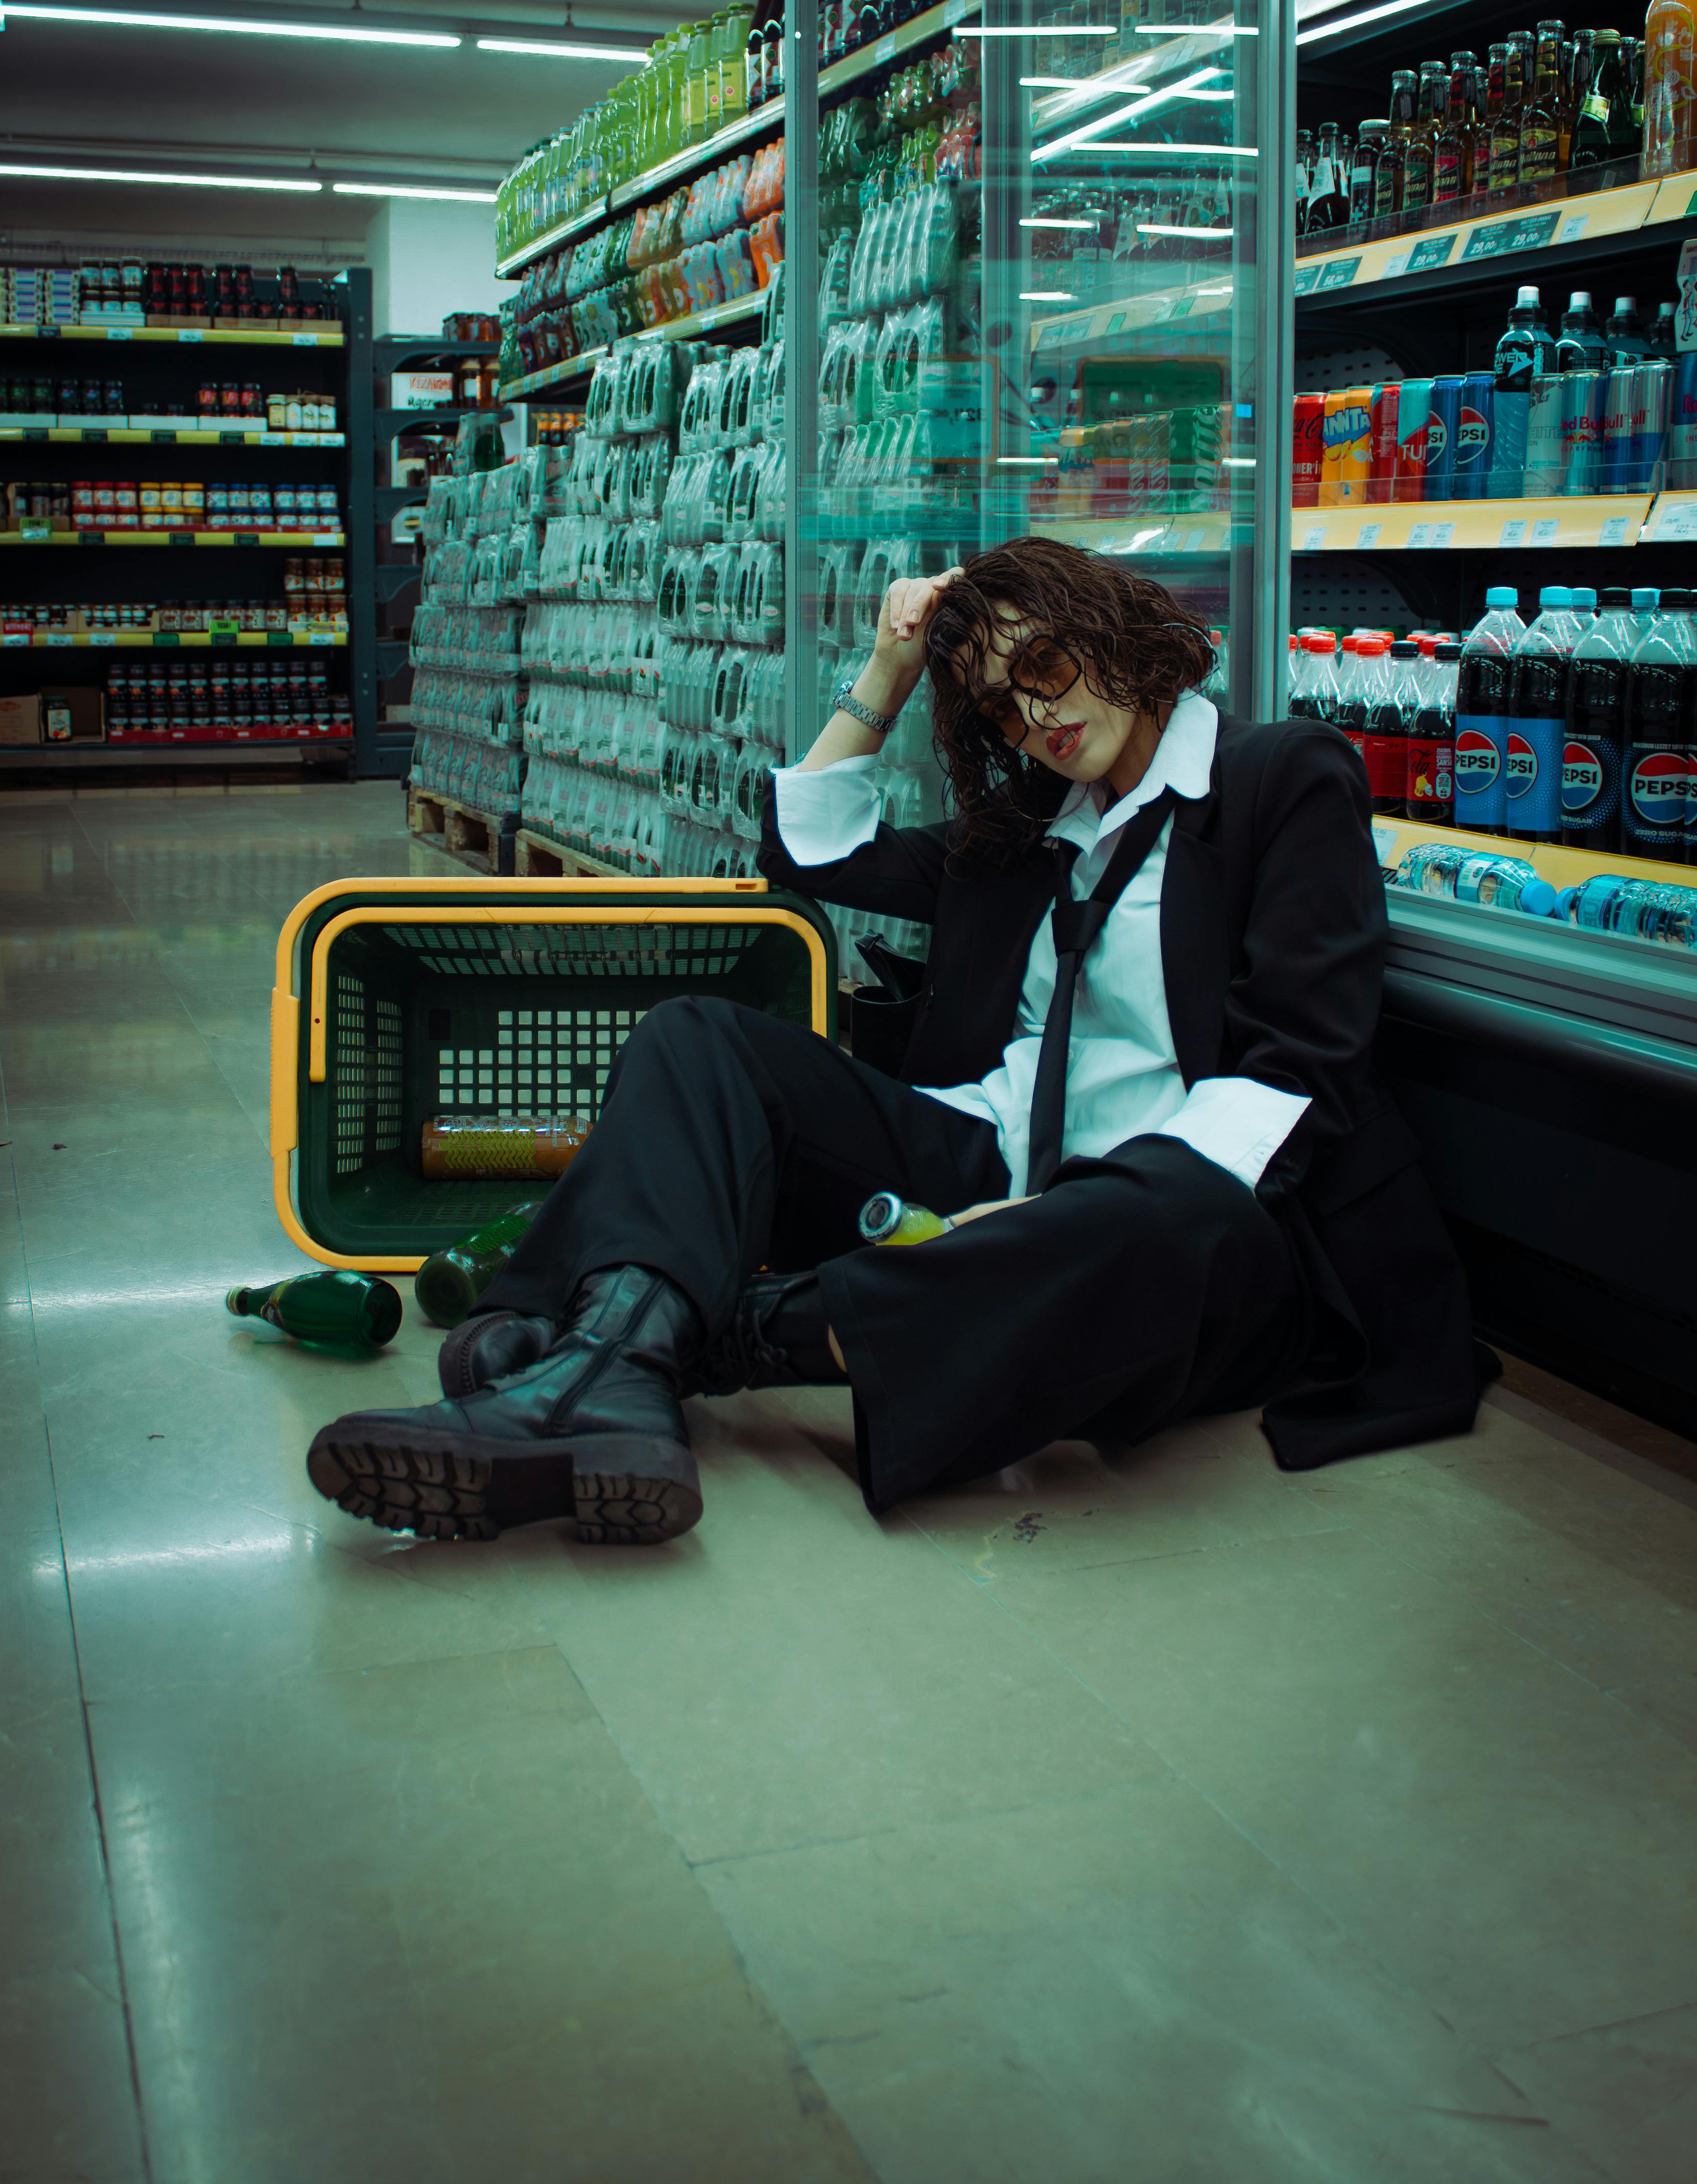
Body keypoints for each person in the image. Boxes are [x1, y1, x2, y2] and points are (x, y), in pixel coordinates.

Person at [306, 538, 1491, 1547]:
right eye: (997, 704)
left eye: (1046, 663)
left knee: (1144, 1217)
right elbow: (811, 854)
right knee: (698, 1038)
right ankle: (620, 1365)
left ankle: (653, 1348)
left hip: (1192, 1221)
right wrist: (890, 664)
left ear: (1116, 626)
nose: (1035, 716)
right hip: (986, 1158)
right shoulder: (1029, 831)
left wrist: (1055, 1212)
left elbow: (1298, 1078)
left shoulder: (1277, 777)